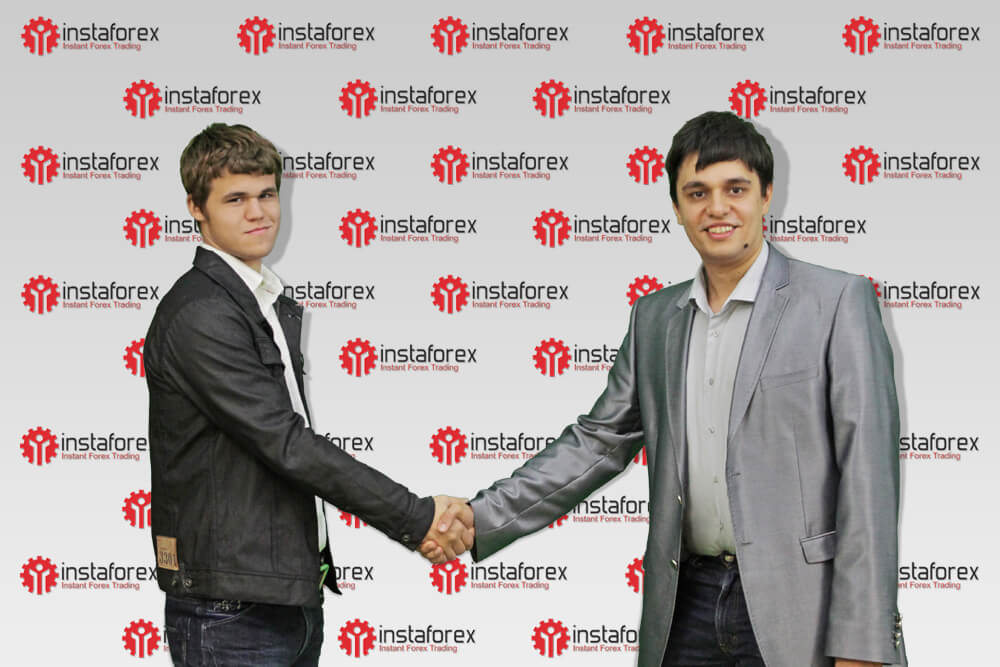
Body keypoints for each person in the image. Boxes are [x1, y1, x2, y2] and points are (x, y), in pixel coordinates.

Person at [425, 111, 905, 667]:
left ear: (767, 195)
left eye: (735, 189)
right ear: (677, 207)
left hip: (804, 609)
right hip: (685, 607)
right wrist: (480, 516)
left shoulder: (837, 302)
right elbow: (597, 442)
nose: (717, 208)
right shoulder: (654, 318)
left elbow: (869, 479)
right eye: (697, 193)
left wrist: (862, 643)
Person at [144, 123, 473, 667]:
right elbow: (287, 444)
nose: (259, 213)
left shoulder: (256, 301)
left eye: (267, 194)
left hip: (283, 598)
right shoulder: (203, 312)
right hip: (231, 612)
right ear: (196, 208)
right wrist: (417, 518)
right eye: (235, 199)